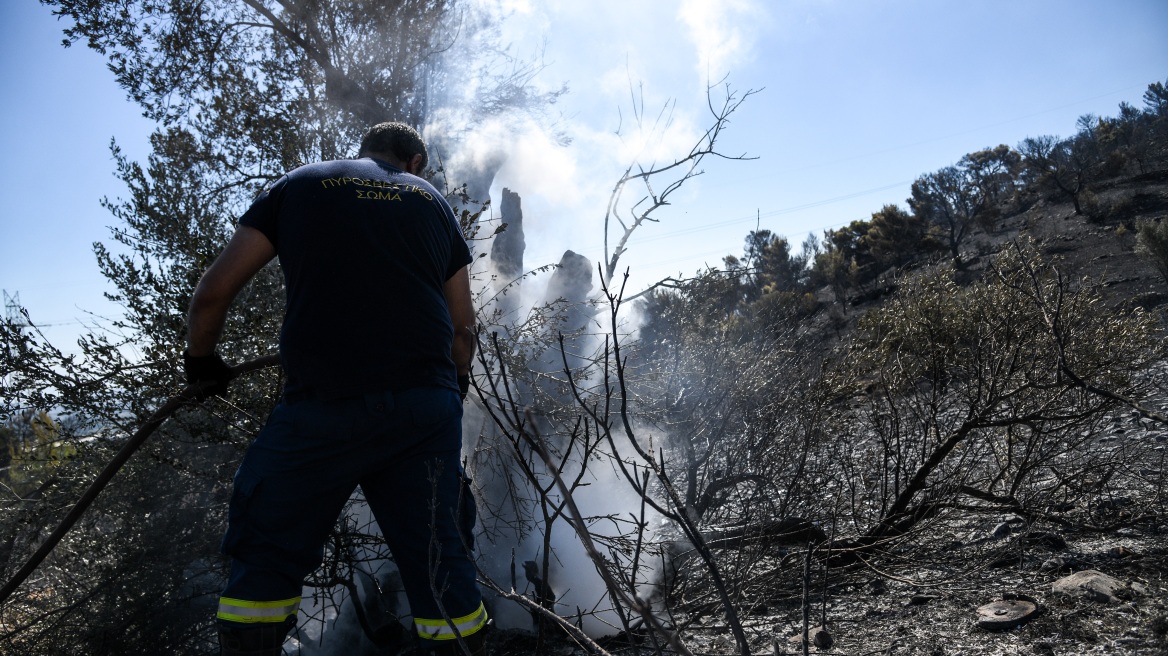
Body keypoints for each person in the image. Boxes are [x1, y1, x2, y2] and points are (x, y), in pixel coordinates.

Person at [184, 122, 486, 656]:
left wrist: (203, 362)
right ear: (415, 162)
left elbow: (212, 294)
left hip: (321, 409)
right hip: (424, 408)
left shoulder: (300, 183)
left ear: (364, 151)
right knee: (442, 564)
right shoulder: (433, 203)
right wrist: (452, 388)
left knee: (266, 557)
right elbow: (462, 328)